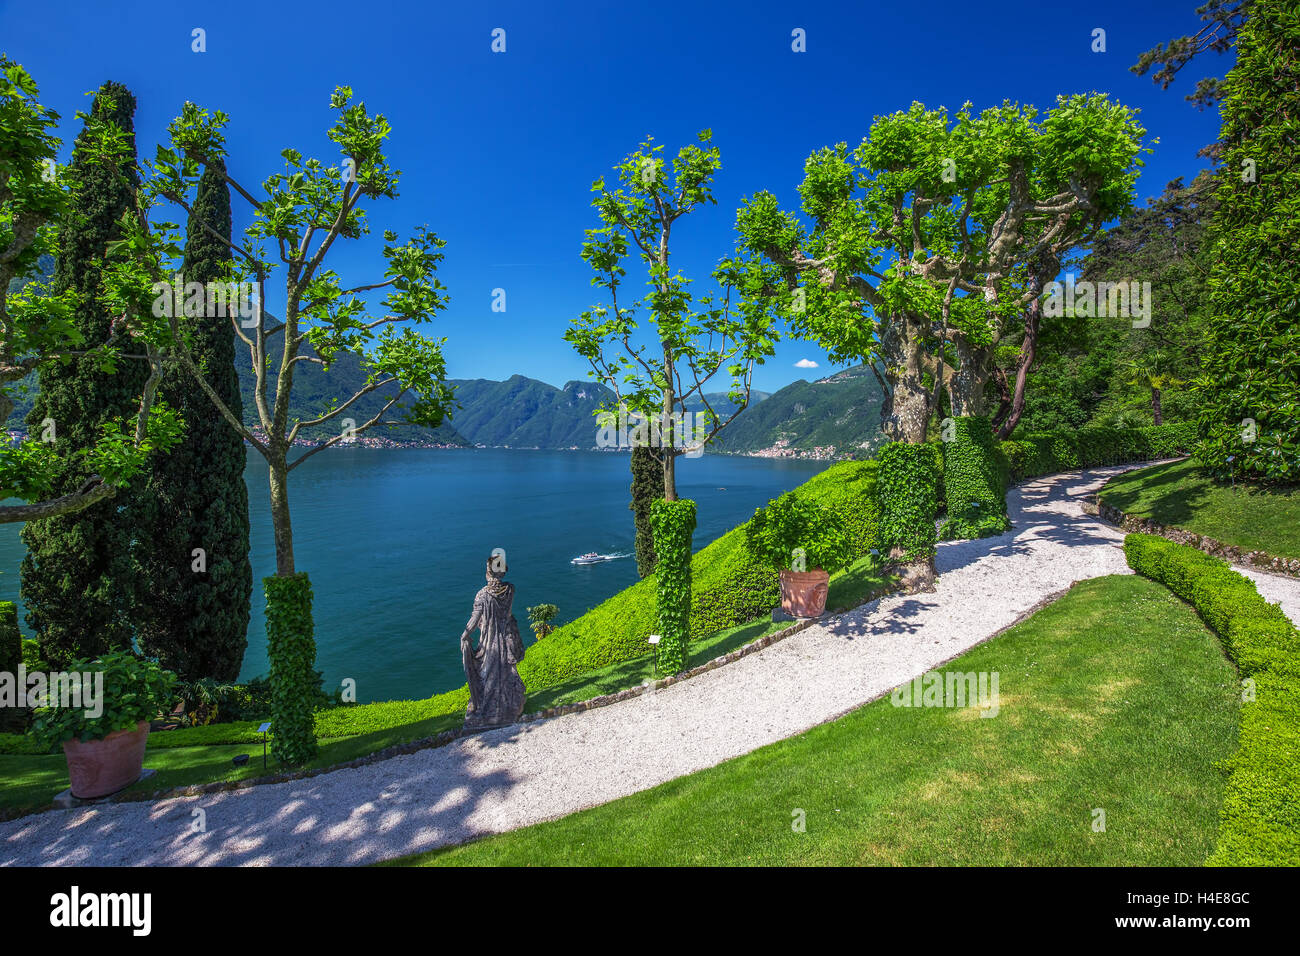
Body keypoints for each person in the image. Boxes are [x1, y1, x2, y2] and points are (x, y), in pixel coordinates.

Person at [459, 555, 526, 729]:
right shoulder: (510, 589)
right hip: (508, 635)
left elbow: (474, 621)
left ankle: (492, 711)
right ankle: (508, 707)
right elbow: (508, 613)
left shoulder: (482, 595)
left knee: (489, 674)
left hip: (491, 640)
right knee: (507, 672)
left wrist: (464, 636)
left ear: (488, 571)